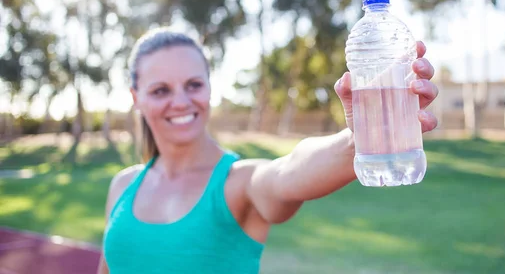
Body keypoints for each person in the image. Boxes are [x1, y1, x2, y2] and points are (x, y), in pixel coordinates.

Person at [96, 27, 439, 274]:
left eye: (193, 85)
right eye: (160, 91)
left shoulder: (238, 183)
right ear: (135, 97)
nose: (182, 101)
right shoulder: (122, 187)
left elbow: (288, 172)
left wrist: (360, 137)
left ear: (210, 88)